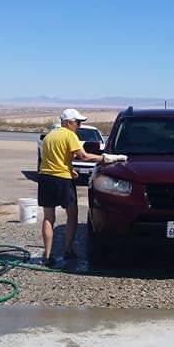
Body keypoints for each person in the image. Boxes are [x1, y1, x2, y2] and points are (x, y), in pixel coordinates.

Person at [38, 108, 126, 266]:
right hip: (63, 180)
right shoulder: (70, 135)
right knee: (72, 214)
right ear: (68, 122)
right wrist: (106, 158)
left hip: (45, 178)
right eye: (77, 122)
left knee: (48, 217)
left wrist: (71, 170)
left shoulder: (49, 136)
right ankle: (68, 250)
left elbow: (53, 159)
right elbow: (83, 156)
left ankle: (47, 255)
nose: (78, 126)